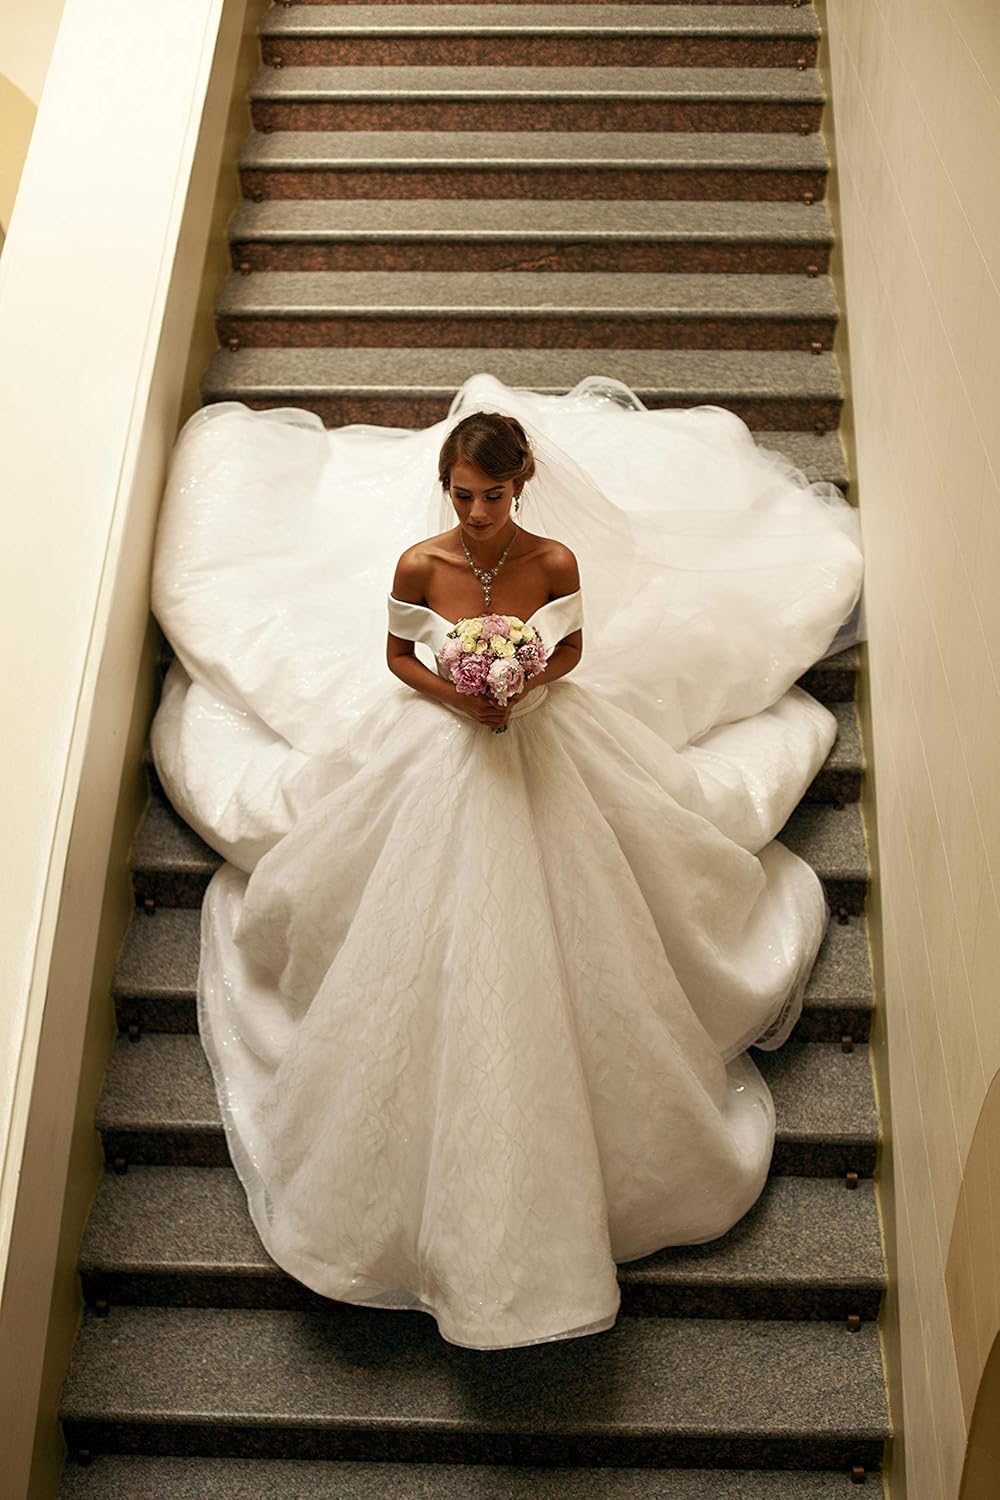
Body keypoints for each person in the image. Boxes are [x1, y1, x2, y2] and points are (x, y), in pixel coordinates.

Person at [151, 373, 864, 1350]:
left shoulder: (555, 557)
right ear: (446, 489)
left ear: (519, 488)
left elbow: (568, 647)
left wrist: (522, 679)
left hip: (539, 727)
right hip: (444, 728)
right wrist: (458, 689)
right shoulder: (419, 561)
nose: (476, 513)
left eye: (491, 496)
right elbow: (402, 657)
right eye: (462, 495)